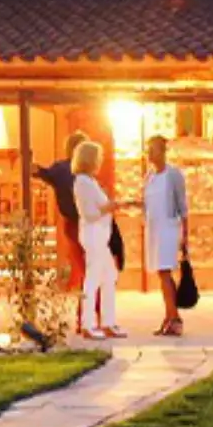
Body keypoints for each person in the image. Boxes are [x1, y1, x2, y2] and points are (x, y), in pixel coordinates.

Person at [33, 133, 92, 334]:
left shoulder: (61, 170)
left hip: (74, 225)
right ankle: (87, 318)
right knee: (90, 272)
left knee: (87, 271)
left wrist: (30, 162)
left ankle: (86, 316)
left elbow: (39, 172)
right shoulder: (79, 173)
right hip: (85, 225)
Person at [73, 139, 123, 339]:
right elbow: (89, 213)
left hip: (102, 235)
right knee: (93, 278)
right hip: (93, 235)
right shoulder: (82, 182)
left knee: (109, 276)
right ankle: (88, 323)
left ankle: (108, 322)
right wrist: (108, 207)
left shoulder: (92, 182)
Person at [142, 133, 190, 336]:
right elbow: (146, 203)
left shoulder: (173, 175)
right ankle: (170, 316)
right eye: (148, 150)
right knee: (161, 273)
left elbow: (182, 205)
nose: (149, 154)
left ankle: (174, 318)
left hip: (169, 229)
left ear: (162, 152)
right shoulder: (149, 176)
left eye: (152, 150)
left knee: (165, 271)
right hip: (154, 229)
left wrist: (185, 235)